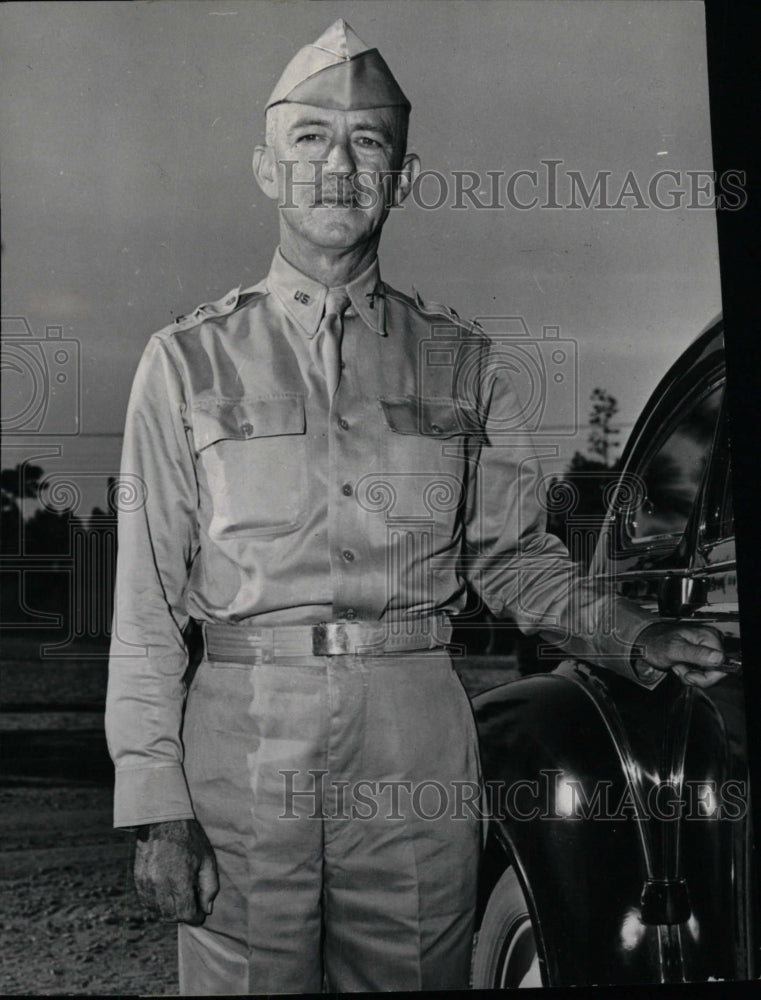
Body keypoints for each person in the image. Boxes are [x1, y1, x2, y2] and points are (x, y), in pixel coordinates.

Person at [105, 18, 729, 995]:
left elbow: (511, 559)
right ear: (266, 168)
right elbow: (143, 604)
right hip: (241, 739)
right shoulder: (184, 363)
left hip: (413, 747)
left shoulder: (461, 364)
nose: (338, 165)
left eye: (368, 142)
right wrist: (156, 803)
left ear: (400, 172)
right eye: (310, 138)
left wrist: (627, 633)